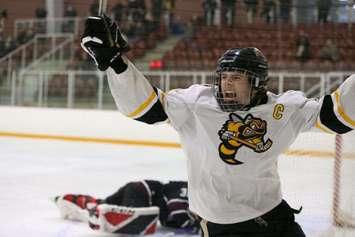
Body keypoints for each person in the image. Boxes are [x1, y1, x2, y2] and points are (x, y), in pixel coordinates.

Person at [80, 15, 355, 236]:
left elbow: (336, 117)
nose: (226, 84)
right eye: (224, 77)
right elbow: (145, 108)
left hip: (275, 218)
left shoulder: (282, 109)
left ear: (257, 83)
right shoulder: (196, 104)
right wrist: (116, 64)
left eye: (236, 78)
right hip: (222, 226)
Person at [54, 180, 199, 235]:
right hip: (143, 192)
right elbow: (177, 210)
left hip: (138, 189)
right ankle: (95, 216)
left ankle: (72, 201)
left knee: (103, 203)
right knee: (138, 221)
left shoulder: (195, 197)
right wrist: (195, 223)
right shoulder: (188, 188)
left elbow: (171, 218)